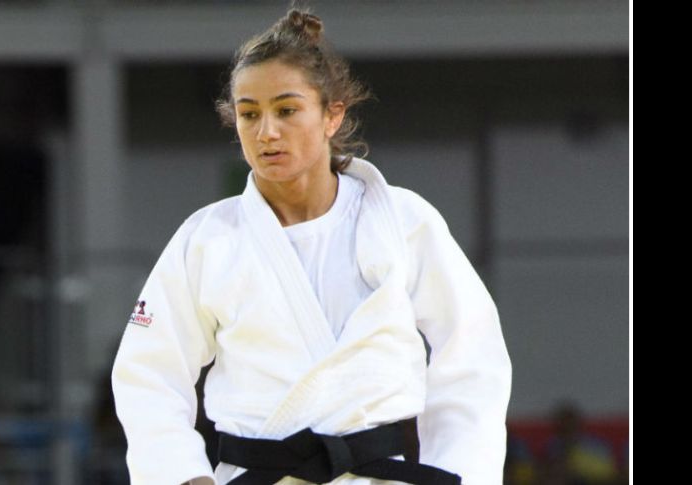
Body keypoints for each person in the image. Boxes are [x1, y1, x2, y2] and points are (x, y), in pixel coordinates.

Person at [111, 5, 512, 485]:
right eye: (249, 114)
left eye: (286, 110)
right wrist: (183, 476)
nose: (266, 132)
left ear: (331, 115)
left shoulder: (402, 221)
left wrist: (460, 470)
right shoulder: (208, 239)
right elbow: (148, 372)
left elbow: (472, 352)